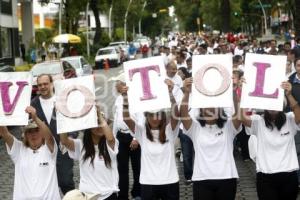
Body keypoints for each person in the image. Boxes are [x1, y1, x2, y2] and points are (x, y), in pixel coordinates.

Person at [180, 77, 242, 200]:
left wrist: (234, 94)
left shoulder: (228, 126)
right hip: (201, 179)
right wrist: (187, 93)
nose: (210, 108)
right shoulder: (195, 127)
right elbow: (183, 115)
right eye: (206, 105)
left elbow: (239, 115)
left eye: (214, 105)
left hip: (227, 177)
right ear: (200, 109)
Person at [121, 79, 180, 200]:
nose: (154, 118)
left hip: (170, 181)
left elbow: (176, 116)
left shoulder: (170, 130)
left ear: (162, 116)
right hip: (148, 182)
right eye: (151, 115)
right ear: (146, 116)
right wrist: (125, 98)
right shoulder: (141, 132)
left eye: (158, 115)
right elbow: (126, 118)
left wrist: (170, 94)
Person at [241, 81, 300, 200]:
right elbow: (242, 118)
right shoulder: (259, 121)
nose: (272, 108)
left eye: (275, 104)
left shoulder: (289, 119)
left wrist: (289, 95)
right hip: (265, 175)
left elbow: (298, 115)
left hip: (289, 174)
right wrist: (244, 94)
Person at [0, 106, 60, 200]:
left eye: (36, 130)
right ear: (25, 135)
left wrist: (35, 117)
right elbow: (4, 133)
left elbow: (49, 136)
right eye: (29, 131)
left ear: (42, 132)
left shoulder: (49, 149)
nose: (33, 134)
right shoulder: (18, 149)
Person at [60, 106, 119, 200]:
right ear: (89, 128)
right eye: (96, 124)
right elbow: (64, 141)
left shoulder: (111, 143)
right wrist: (62, 117)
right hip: (87, 196)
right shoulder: (80, 145)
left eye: (101, 124)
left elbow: (110, 138)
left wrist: (99, 115)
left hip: (108, 195)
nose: (99, 127)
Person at [31, 74, 75, 194]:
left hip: (63, 148)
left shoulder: (62, 100)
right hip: (43, 150)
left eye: (45, 83)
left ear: (51, 84)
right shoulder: (33, 104)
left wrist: (70, 137)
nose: (43, 87)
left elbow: (73, 121)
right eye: (40, 85)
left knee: (66, 182)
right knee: (45, 183)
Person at [112, 76, 141, 200]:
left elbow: (140, 117)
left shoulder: (136, 98)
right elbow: (116, 119)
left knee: (137, 167)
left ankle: (137, 193)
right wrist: (113, 138)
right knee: (122, 169)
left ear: (124, 85)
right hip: (120, 137)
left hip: (133, 136)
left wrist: (136, 138)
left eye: (117, 83)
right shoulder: (118, 99)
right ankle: (123, 196)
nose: (115, 86)